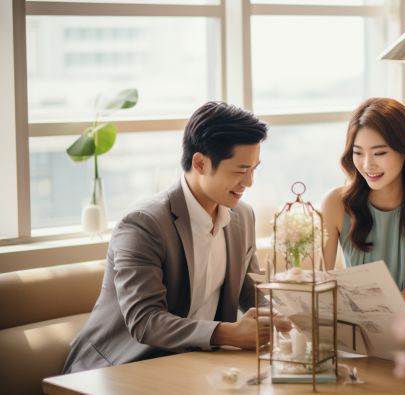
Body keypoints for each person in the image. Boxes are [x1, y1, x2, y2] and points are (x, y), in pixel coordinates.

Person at [63, 101, 290, 373]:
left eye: (255, 169)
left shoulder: (242, 216)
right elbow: (145, 321)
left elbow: (249, 293)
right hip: (117, 369)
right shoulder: (143, 225)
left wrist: (278, 316)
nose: (250, 182)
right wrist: (229, 334)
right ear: (200, 163)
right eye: (241, 171)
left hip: (197, 365)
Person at [321, 97, 405, 327]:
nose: (367, 164)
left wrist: (374, 322)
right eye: (358, 152)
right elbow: (321, 281)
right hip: (352, 328)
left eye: (379, 153)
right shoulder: (336, 203)